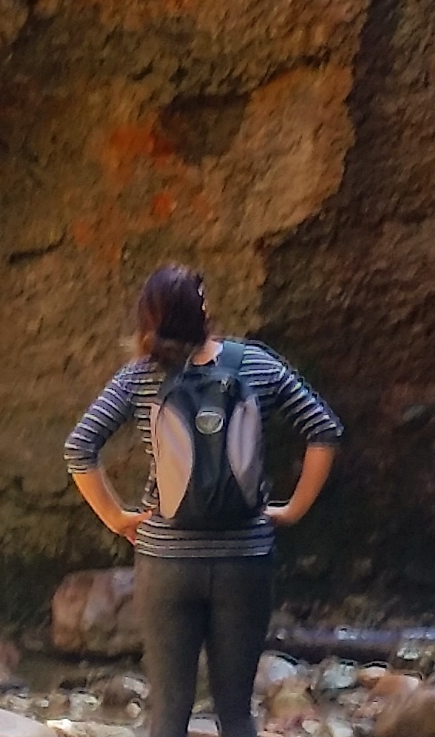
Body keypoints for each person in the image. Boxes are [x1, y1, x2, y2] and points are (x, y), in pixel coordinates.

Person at [65, 264, 341, 737]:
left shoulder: (141, 376)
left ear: (148, 318)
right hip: (244, 560)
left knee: (169, 713)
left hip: (167, 561)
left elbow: (79, 447)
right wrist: (293, 509)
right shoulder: (255, 364)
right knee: (235, 712)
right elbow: (324, 430)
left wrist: (116, 517)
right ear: (204, 311)